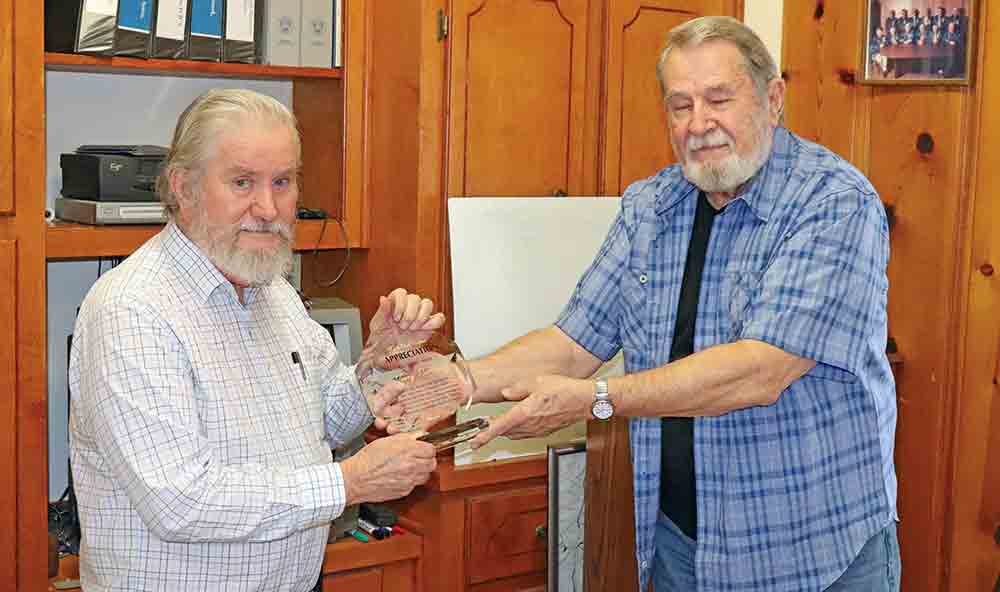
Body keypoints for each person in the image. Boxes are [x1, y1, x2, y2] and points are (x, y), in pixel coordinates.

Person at [459, 16, 899, 592]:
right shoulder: (651, 206)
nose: (700, 124)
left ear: (773, 99)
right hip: (681, 549)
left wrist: (596, 399)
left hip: (813, 554)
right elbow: (572, 343)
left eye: (719, 98)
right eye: (680, 105)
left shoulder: (834, 203)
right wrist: (460, 382)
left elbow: (758, 372)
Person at [69, 89, 442, 591]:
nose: (268, 208)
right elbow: (180, 500)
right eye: (242, 182)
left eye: (283, 182)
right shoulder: (132, 311)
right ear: (184, 187)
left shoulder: (273, 291)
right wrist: (348, 482)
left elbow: (326, 421)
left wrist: (378, 364)